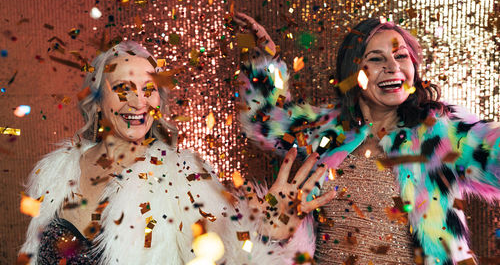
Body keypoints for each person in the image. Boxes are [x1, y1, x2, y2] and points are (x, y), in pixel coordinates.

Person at [18, 40, 335, 264]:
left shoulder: (183, 175)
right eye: (123, 89)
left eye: (148, 89)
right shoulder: (57, 172)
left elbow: (221, 253)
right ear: (97, 101)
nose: (138, 102)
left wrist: (262, 232)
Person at [234, 13, 500, 264]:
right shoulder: (325, 133)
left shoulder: (440, 135)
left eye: (401, 56)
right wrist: (265, 59)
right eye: (376, 59)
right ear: (353, 70)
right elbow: (265, 118)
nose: (393, 67)